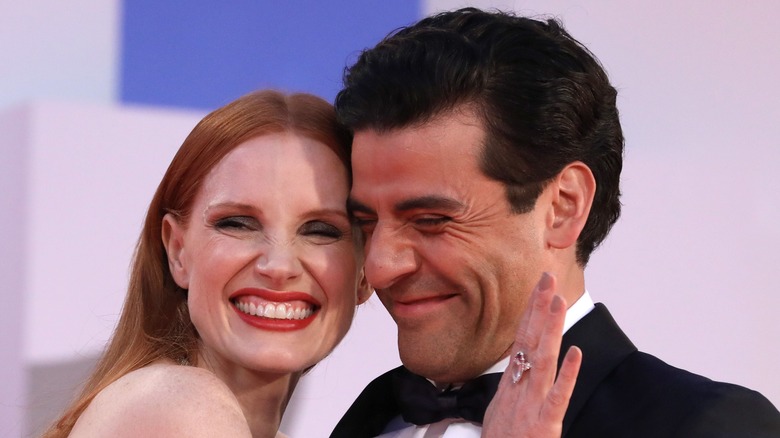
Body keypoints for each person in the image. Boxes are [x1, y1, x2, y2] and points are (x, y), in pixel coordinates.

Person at [330, 7, 780, 438]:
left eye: (430, 220)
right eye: (366, 221)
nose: (382, 266)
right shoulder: (367, 418)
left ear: (563, 206)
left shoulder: (705, 426)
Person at [41, 89, 580, 437]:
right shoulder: (181, 410)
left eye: (321, 230)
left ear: (365, 268)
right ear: (177, 250)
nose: (279, 265)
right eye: (237, 222)